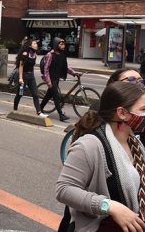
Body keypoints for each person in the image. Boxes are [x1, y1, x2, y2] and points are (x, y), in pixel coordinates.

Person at [56, 81, 145, 231]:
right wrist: (109, 205)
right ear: (122, 113)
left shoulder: (135, 143)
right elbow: (64, 189)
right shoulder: (90, 145)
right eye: (143, 109)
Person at [40, 37, 80, 122]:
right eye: (61, 44)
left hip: (57, 78)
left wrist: (73, 73)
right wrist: (48, 81)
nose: (63, 45)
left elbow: (65, 67)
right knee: (56, 96)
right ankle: (61, 115)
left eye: (63, 44)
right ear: (56, 44)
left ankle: (40, 108)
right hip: (51, 78)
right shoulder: (50, 55)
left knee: (49, 95)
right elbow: (46, 69)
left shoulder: (62, 55)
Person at [13, 40, 47, 117]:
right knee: (20, 94)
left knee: (35, 94)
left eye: (36, 43)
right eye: (34, 43)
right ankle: (15, 109)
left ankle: (39, 112)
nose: (36, 45)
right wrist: (20, 78)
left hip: (31, 76)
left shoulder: (35, 55)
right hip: (24, 76)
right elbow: (21, 66)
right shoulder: (25, 54)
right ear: (30, 46)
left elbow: (32, 67)